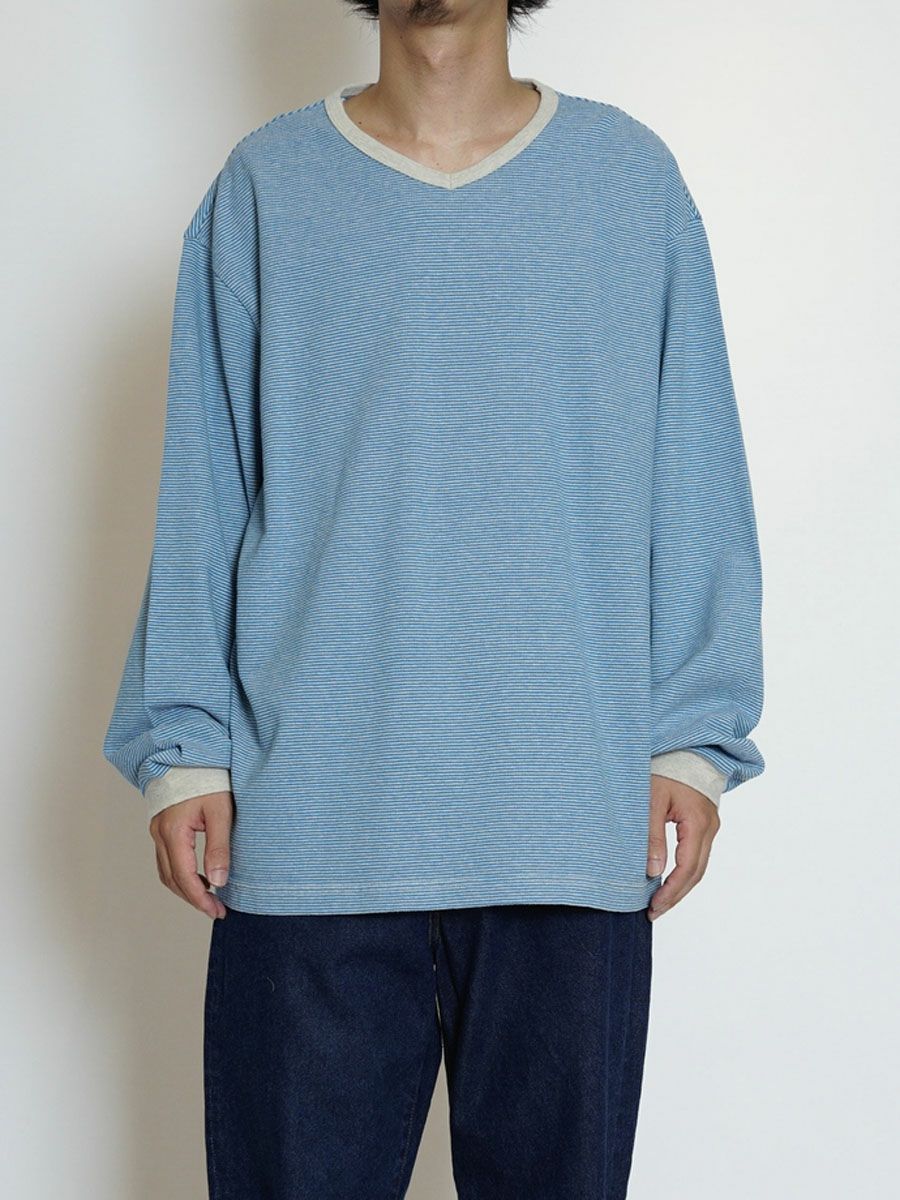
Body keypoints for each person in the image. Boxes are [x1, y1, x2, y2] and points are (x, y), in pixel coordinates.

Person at [102, 1, 765, 1195]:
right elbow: (207, 478)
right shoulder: (266, 188)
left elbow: (695, 465)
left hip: (564, 823)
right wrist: (185, 751)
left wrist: (693, 735)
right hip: (313, 823)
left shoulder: (629, 184)